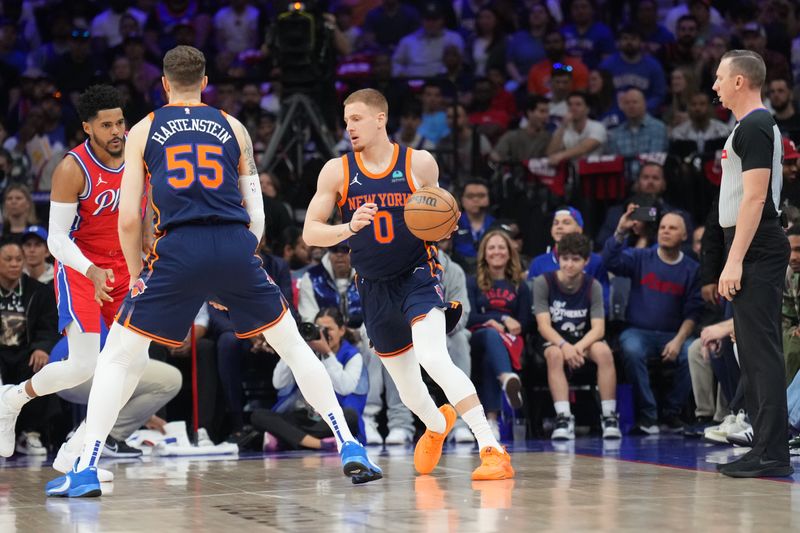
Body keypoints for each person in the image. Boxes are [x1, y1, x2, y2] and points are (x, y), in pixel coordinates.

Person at [45, 46, 381, 498]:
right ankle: (350, 444)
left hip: (178, 249)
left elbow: (128, 219)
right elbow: (256, 212)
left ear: (164, 84)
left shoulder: (145, 128)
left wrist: (136, 273)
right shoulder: (233, 126)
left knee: (120, 358)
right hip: (231, 243)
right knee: (294, 347)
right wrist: (238, 261)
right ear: (205, 83)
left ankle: (84, 469)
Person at [303, 88, 513, 480]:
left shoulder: (420, 163)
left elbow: (442, 217)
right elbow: (311, 234)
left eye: (357, 118)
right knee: (408, 391)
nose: (349, 127)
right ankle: (436, 425)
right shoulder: (337, 170)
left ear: (381, 119)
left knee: (434, 357)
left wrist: (446, 227)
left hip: (418, 275)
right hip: (372, 285)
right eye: (346, 120)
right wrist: (348, 227)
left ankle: (492, 448)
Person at [0, 86, 132, 463]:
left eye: (120, 122)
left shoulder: (137, 158)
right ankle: (13, 399)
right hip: (80, 267)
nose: (116, 131)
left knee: (133, 365)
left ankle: (78, 448)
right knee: (84, 365)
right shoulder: (72, 168)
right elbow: (56, 238)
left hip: (123, 268)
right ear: (88, 128)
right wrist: (90, 270)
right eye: (106, 125)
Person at [713, 49, 794, 478]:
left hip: (756, 244)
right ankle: (766, 447)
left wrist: (735, 260)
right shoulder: (750, 127)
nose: (715, 86)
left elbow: (757, 198)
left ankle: (771, 451)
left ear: (740, 81)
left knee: (761, 352)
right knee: (755, 352)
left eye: (720, 78)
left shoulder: (757, 125)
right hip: (752, 243)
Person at [604, 208, 703, 434]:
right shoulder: (641, 257)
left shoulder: (692, 269)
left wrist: (678, 341)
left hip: (673, 334)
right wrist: (620, 231)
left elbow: (693, 313)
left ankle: (671, 413)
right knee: (630, 347)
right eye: (662, 227)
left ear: (685, 235)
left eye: (672, 228)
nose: (665, 231)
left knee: (693, 351)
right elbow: (610, 261)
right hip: (639, 331)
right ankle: (648, 416)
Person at [533, 233, 620, 440]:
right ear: (558, 258)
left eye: (575, 259)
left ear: (586, 261)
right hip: (554, 339)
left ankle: (609, 416)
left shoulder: (593, 286)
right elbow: (543, 326)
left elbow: (598, 329)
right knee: (554, 355)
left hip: (583, 339)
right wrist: (565, 346)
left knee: (604, 351)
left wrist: (577, 347)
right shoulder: (543, 282)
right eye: (565, 259)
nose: (569, 264)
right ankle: (564, 417)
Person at [254, 307, 367, 451]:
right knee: (259, 415)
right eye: (319, 328)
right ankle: (321, 444)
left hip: (331, 419)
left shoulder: (353, 355)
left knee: (350, 416)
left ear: (342, 330)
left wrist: (326, 353)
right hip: (302, 415)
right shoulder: (304, 350)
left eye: (329, 329)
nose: (323, 333)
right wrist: (291, 349)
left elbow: (344, 388)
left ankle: (288, 439)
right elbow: (278, 383)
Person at [466, 230, 530, 437]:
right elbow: (467, 317)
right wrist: (496, 319)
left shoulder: (520, 286)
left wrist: (516, 325)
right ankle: (506, 378)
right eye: (491, 247)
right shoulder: (473, 282)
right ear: (484, 253)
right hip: (478, 337)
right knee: (491, 335)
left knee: (489, 358)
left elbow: (526, 322)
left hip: (509, 341)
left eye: (501, 247)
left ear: (510, 252)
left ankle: (491, 421)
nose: (497, 252)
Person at [0, 239, 59, 455]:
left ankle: (30, 434)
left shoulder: (39, 291)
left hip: (26, 352)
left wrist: (42, 347)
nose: (14, 264)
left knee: (41, 367)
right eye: (8, 259)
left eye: (18, 259)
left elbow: (49, 325)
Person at [528, 206, 609, 308]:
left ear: (579, 229)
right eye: (556, 223)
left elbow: (603, 303)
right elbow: (531, 301)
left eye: (566, 223)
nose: (559, 227)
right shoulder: (538, 263)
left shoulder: (595, 262)